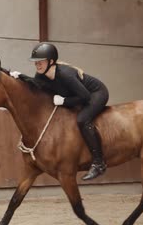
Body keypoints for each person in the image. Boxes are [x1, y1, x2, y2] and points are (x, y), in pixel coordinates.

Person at [22, 42, 110, 180]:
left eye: (40, 61)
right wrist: (16, 75)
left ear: (51, 61)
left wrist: (64, 101)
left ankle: (99, 163)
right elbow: (35, 85)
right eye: (35, 62)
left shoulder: (65, 75)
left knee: (82, 119)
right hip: (79, 95)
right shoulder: (41, 75)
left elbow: (85, 97)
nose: (37, 65)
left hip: (95, 93)